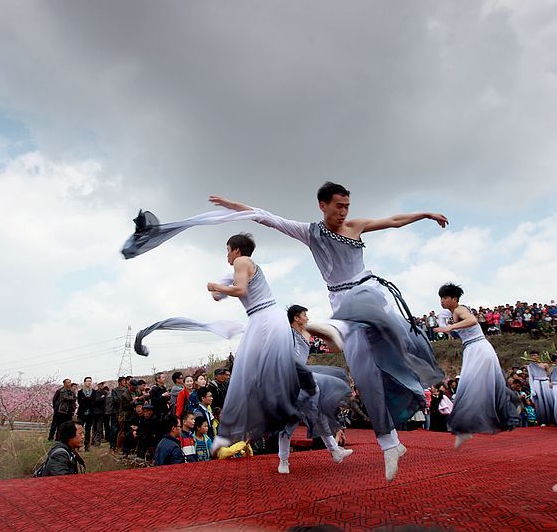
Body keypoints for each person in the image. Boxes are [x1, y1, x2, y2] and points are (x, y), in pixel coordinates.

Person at [121, 182, 447, 482]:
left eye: (347, 206)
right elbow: (266, 217)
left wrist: (425, 214)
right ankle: (390, 443)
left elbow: (393, 220)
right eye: (338, 206)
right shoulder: (309, 232)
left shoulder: (355, 226)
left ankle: (393, 348)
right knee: (363, 372)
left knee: (386, 337)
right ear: (322, 205)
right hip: (341, 302)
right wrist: (234, 207)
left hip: (365, 292)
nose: (344, 211)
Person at [134, 234, 303, 456]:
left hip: (264, 318)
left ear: (237, 251)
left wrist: (216, 286)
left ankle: (232, 430)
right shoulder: (239, 269)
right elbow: (221, 294)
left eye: (228, 250)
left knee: (244, 373)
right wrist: (218, 290)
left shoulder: (242, 262)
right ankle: (263, 416)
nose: (227, 255)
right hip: (265, 318)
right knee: (252, 374)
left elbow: (240, 290)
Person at [435, 283, 520, 447]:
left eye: (445, 297)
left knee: (469, 388)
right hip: (473, 349)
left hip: (478, 348)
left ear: (454, 298)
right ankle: (466, 428)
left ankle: (464, 429)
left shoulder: (460, 309)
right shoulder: (453, 314)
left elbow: (472, 320)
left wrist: (450, 326)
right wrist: (445, 322)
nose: (442, 301)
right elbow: (455, 331)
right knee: (480, 386)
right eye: (441, 298)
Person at [277, 304, 353, 475]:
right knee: (289, 422)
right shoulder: (286, 334)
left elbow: (332, 343)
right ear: (296, 317)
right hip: (290, 381)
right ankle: (283, 460)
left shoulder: (307, 332)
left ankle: (335, 451)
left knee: (319, 415)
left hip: (305, 378)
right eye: (304, 315)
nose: (307, 317)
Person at [77, 376, 100, 451]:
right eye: (87, 381)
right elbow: (80, 402)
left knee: (88, 430)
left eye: (90, 381)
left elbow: (94, 401)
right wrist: (89, 401)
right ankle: (78, 445)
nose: (89, 382)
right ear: (84, 382)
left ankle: (87, 446)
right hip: (82, 413)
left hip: (90, 413)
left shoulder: (94, 392)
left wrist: (86, 400)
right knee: (79, 429)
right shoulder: (80, 392)